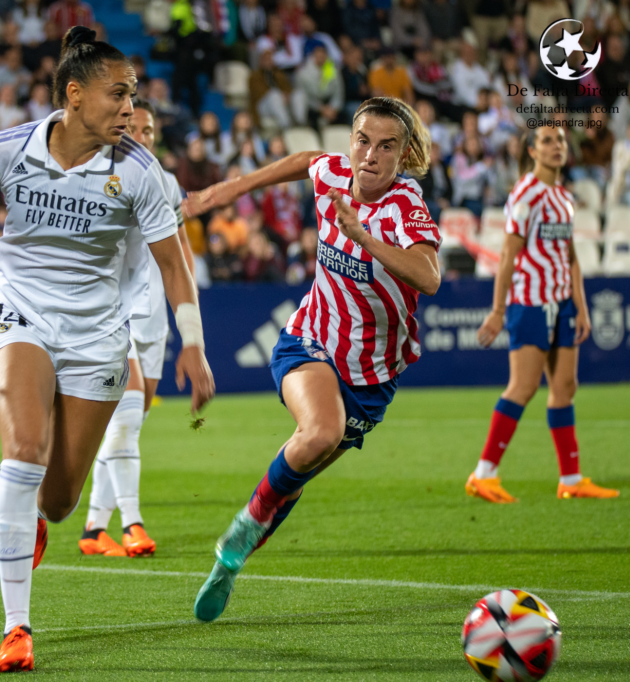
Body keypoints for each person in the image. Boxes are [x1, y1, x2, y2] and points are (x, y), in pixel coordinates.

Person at [0, 27, 213, 672]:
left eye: (134, 96)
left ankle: (36, 523)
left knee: (59, 501)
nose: (130, 109)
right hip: (21, 315)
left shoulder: (140, 172)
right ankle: (16, 627)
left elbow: (175, 265)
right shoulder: (5, 151)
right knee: (24, 453)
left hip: (98, 338)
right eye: (119, 95)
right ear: (74, 94)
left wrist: (192, 346)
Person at [182, 97, 442, 622]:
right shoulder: (334, 173)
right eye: (362, 140)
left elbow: (429, 276)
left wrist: (362, 236)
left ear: (405, 153)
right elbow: (304, 160)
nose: (369, 155)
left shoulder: (405, 208)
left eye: (386, 146)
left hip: (373, 374)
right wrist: (227, 189)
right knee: (321, 432)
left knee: (301, 466)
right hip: (311, 339)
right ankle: (242, 528)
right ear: (351, 140)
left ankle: (230, 563)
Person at [468, 126, 620, 505]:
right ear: (532, 151)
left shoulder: (563, 197)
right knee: (523, 387)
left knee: (565, 387)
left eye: (561, 141)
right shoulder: (525, 195)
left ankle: (570, 478)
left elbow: (569, 258)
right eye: (548, 141)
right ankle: (484, 473)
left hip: (562, 303)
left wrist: (580, 305)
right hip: (530, 303)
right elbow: (507, 255)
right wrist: (499, 309)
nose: (557, 147)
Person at [79, 97, 195, 558]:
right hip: (112, 316)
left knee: (128, 427)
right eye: (134, 129)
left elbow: (179, 256)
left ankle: (93, 529)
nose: (142, 138)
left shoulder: (164, 182)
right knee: (124, 423)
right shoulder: (94, 177)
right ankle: (133, 524)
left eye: (148, 132)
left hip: (152, 320)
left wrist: (192, 327)